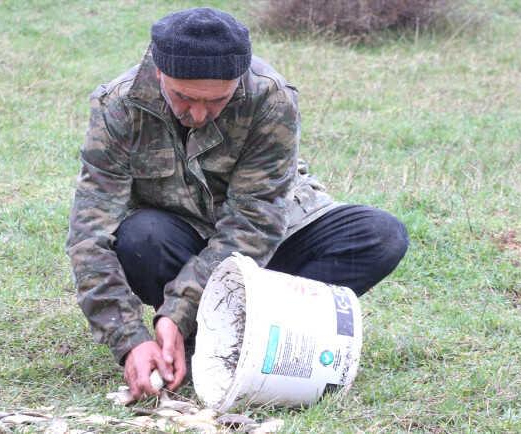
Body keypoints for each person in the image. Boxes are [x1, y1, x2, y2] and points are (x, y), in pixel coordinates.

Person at [66, 7, 409, 399]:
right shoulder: (118, 106)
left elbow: (254, 221)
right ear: (160, 72)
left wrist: (180, 310)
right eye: (183, 97)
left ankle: (257, 334)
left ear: (238, 82)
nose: (198, 114)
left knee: (380, 235)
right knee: (141, 237)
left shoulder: (270, 97)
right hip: (181, 240)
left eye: (217, 102)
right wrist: (129, 340)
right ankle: (200, 340)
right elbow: (89, 235)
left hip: (271, 238)